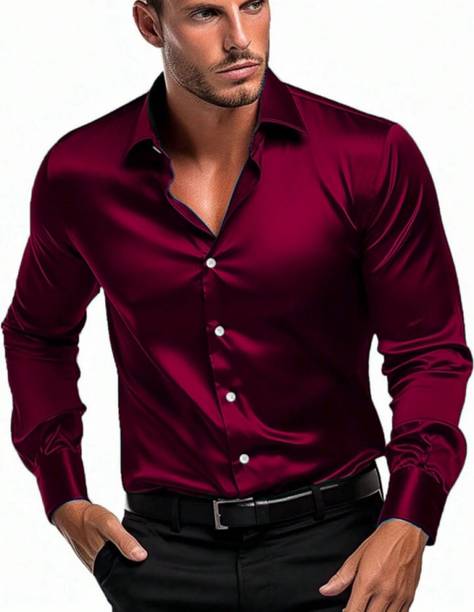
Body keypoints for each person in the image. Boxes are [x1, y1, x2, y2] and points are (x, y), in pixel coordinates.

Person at [2, 1, 472, 610]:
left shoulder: (369, 156)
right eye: (205, 13)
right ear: (150, 25)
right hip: (160, 561)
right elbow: (37, 334)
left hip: (340, 558)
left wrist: (410, 516)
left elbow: (429, 350)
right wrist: (64, 496)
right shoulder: (81, 175)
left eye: (252, 3)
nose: (239, 37)